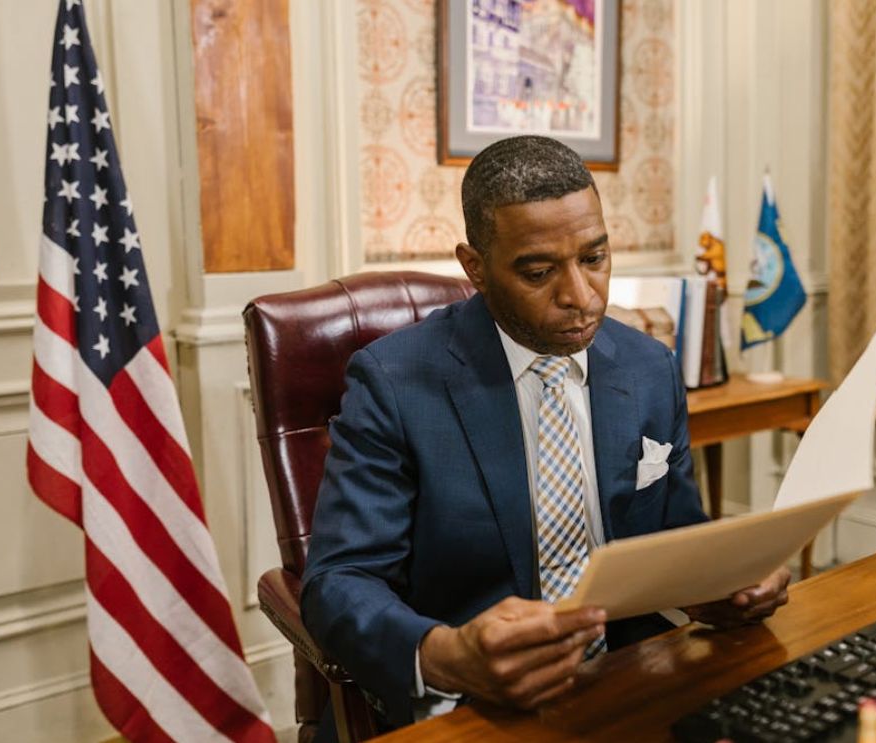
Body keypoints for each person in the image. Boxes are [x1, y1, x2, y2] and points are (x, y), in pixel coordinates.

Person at [301, 135, 790, 735]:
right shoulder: (394, 382)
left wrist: (723, 580)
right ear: (475, 267)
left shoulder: (648, 367)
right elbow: (340, 581)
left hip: (627, 671)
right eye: (538, 272)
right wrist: (443, 655)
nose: (581, 298)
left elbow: (677, 531)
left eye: (594, 258)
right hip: (470, 703)